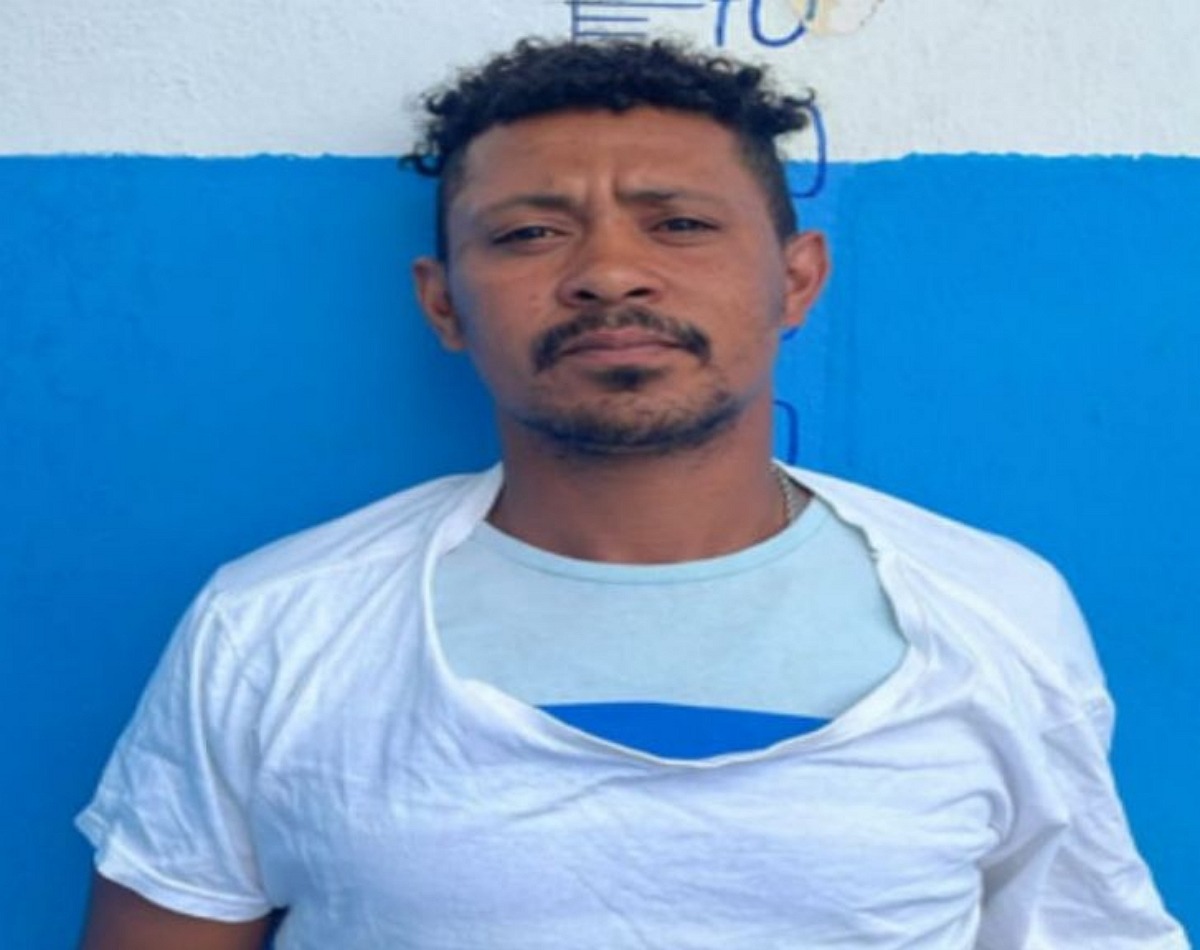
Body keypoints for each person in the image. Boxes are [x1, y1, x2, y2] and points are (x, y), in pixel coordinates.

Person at [76, 38, 1188, 950]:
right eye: (530, 233)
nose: (609, 272)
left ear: (797, 278)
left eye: (680, 224)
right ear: (443, 303)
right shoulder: (276, 623)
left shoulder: (994, 609)